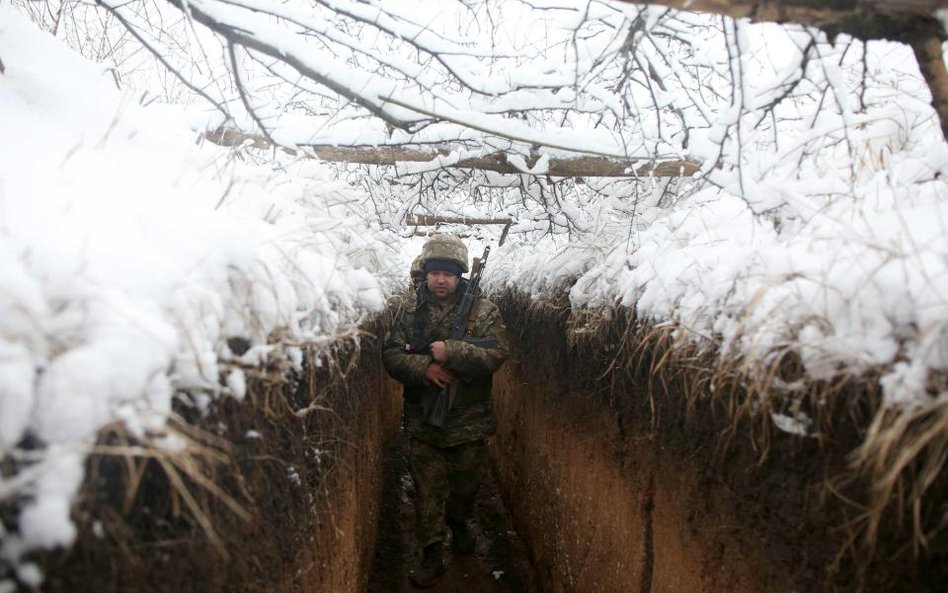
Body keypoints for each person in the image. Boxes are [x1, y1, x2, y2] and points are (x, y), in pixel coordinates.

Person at [382, 234, 509, 589]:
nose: (441, 280)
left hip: (470, 423)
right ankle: (431, 550)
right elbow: (391, 355)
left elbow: (497, 354)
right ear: (425, 274)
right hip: (424, 422)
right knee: (427, 489)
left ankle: (458, 522)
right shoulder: (409, 311)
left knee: (465, 487)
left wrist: (451, 352)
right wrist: (424, 369)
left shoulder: (483, 311)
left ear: (460, 277)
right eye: (435, 273)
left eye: (449, 274)